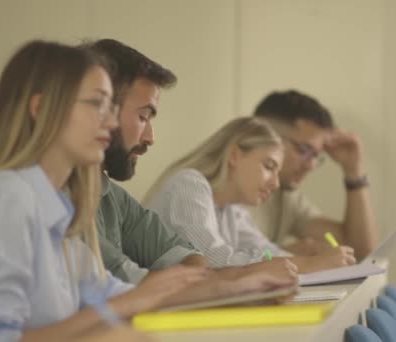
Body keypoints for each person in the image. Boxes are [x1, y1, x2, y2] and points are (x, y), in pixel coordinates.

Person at [0, 40, 205, 342]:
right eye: (97, 104)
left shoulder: (58, 213)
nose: (110, 122)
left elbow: (109, 299)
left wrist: (232, 285)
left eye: (111, 108)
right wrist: (122, 317)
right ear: (41, 109)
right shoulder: (6, 200)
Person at [86, 39, 298, 285]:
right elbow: (130, 287)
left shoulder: (114, 197)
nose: (150, 138)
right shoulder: (189, 184)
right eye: (143, 117)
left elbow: (194, 261)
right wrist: (233, 283)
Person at [144, 117, 356, 273]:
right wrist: (308, 264)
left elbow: (267, 251)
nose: (275, 183)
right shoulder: (188, 184)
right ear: (235, 155)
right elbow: (213, 261)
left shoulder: (231, 209)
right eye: (269, 166)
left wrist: (314, 259)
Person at [250, 90, 377, 260]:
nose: (311, 165)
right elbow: (211, 274)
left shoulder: (286, 195)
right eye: (304, 150)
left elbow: (359, 251)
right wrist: (282, 257)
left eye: (316, 155)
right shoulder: (215, 189)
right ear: (262, 136)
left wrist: (354, 171)